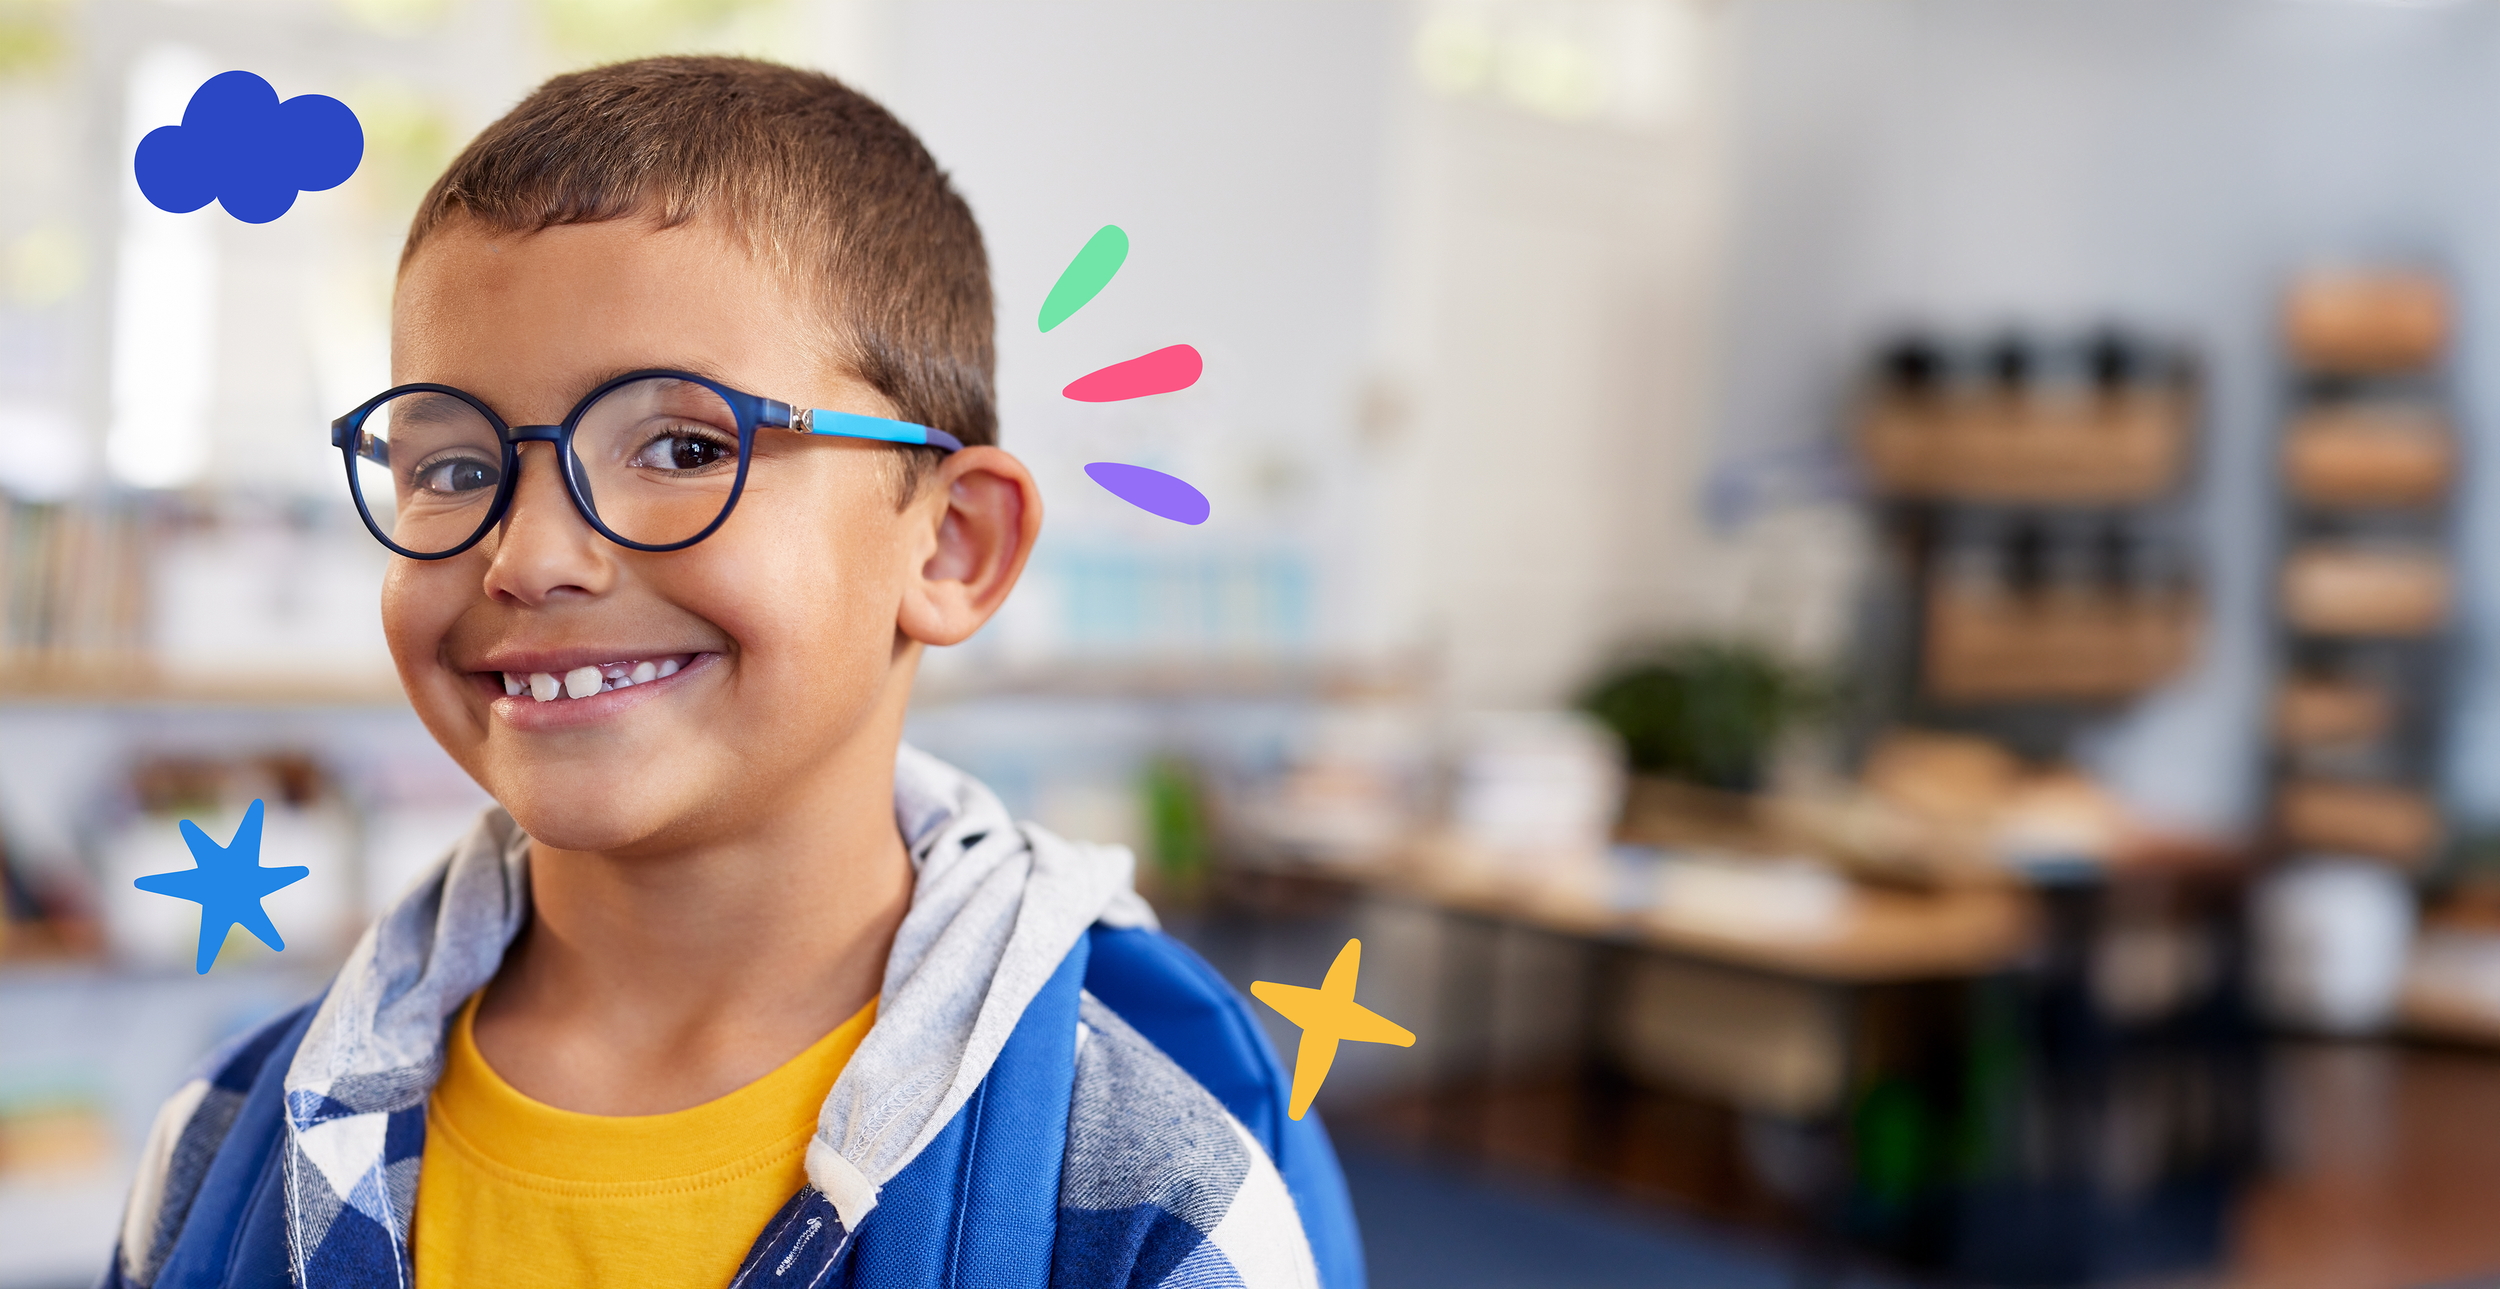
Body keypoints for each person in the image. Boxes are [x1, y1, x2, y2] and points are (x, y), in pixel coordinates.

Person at [104, 55, 1358, 1289]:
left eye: (685, 443)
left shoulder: (1150, 1190)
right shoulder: (222, 1144)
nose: (528, 555)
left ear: (953, 545)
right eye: (450, 468)